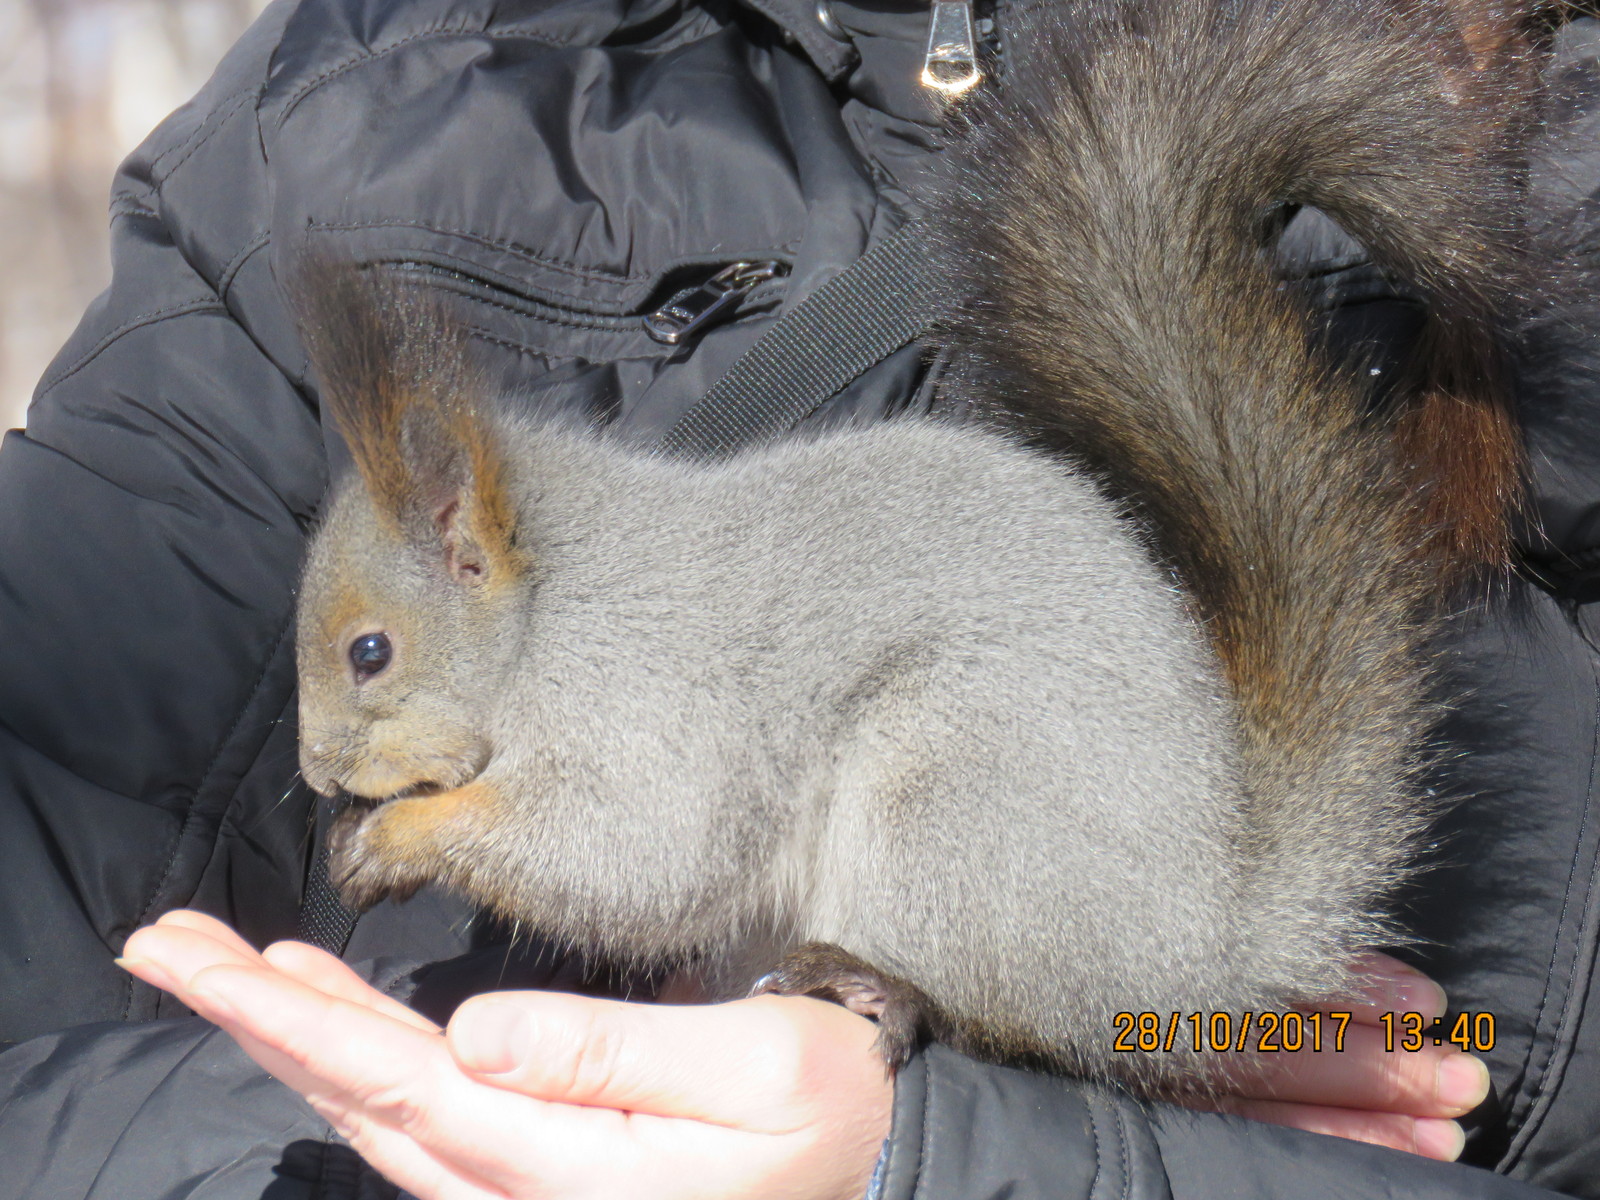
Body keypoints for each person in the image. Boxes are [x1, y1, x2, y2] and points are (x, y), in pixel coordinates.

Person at [0, 0, 1597, 1196]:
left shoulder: (609, 618)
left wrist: (952, 1151)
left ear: (468, 544)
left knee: (913, 774)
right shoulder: (400, 87)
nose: (338, 745)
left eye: (369, 666)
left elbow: (664, 863)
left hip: (1083, 871)